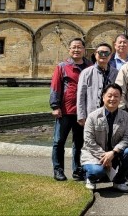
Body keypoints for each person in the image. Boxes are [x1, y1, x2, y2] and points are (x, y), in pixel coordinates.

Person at [49, 38, 92, 181]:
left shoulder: (90, 66)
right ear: (69, 50)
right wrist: (55, 106)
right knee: (59, 141)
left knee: (79, 143)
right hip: (66, 110)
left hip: (82, 112)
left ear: (84, 49)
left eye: (79, 47)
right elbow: (56, 87)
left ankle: (77, 169)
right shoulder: (62, 67)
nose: (76, 50)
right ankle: (58, 170)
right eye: (73, 47)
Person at [80, 84, 128, 192]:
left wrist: (113, 153)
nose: (112, 99)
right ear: (103, 97)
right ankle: (90, 178)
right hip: (94, 154)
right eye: (109, 95)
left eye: (116, 96)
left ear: (120, 98)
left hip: (114, 153)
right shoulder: (92, 116)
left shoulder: (126, 116)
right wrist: (105, 156)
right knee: (97, 171)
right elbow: (88, 141)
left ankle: (119, 181)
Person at [77, 43, 117, 125]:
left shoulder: (116, 73)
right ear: (95, 54)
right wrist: (81, 116)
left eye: (106, 53)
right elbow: (81, 95)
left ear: (110, 55)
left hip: (111, 114)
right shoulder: (86, 72)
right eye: (100, 52)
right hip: (91, 115)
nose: (103, 55)